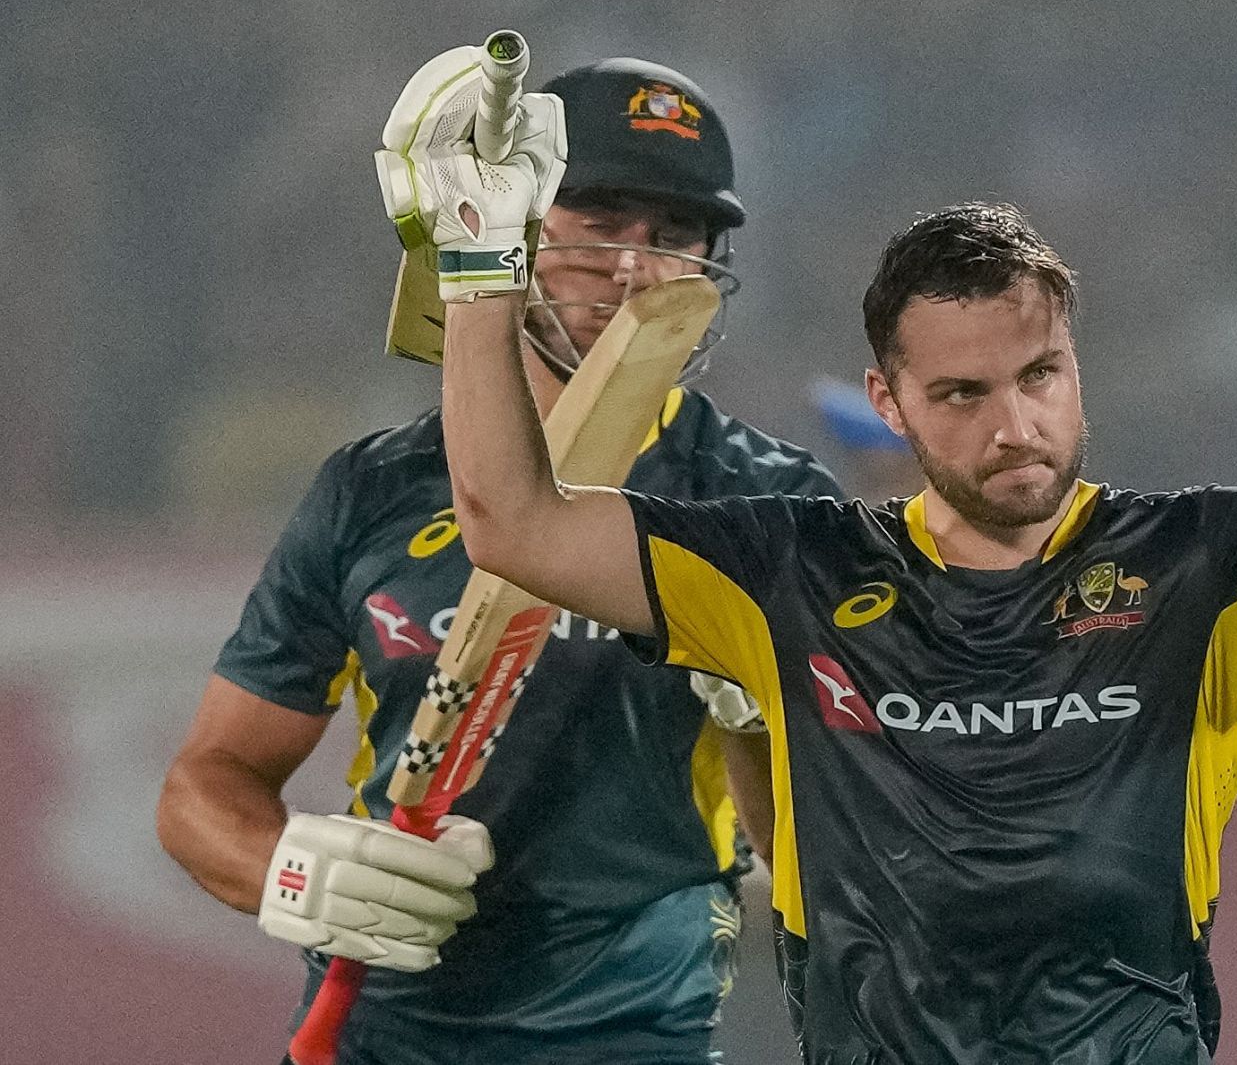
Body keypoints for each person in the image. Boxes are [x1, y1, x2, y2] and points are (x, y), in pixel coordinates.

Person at [407, 0, 1237, 1062]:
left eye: (1039, 376)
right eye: (964, 393)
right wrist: (474, 270)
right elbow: (513, 522)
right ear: (891, 401)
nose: (1015, 425)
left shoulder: (1206, 561)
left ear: (1077, 365)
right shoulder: (787, 577)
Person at [156, 53, 839, 1065]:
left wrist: (756, 737)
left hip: (637, 1031)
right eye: (599, 219)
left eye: (676, 233)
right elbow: (205, 785)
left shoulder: (771, 505)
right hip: (383, 1032)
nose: (636, 268)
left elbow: (833, 867)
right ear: (514, 225)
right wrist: (293, 874)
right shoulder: (373, 489)